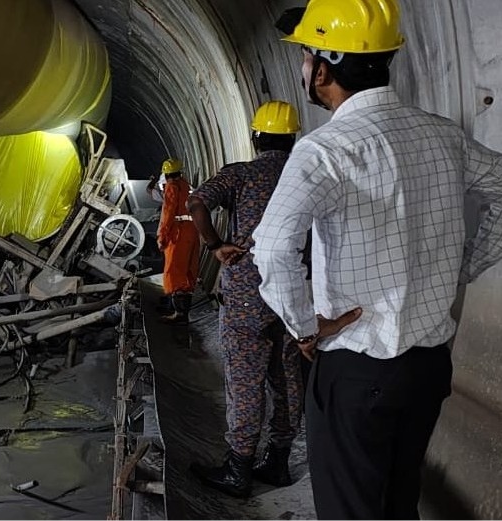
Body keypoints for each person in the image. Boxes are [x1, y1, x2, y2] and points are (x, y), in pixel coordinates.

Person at [252, 0, 502, 518]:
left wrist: (303, 327)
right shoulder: (442, 135)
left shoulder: (325, 150)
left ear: (322, 68)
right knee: (396, 502)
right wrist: (463, 266)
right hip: (428, 367)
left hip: (356, 370)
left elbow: (273, 246)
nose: (302, 68)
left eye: (303, 57)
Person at [187, 101, 303, 498]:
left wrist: (216, 245)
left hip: (246, 294)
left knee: (245, 379)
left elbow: (197, 202)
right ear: (293, 138)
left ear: (256, 137)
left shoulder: (242, 174)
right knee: (286, 376)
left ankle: (238, 467)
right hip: (293, 292)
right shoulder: (305, 173)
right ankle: (279, 460)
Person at [157, 158, 200, 323]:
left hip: (179, 231)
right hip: (193, 230)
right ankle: (180, 309)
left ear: (166, 175)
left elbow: (167, 213)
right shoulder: (188, 186)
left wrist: (162, 236)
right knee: (188, 270)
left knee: (174, 270)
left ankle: (178, 312)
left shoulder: (172, 187)